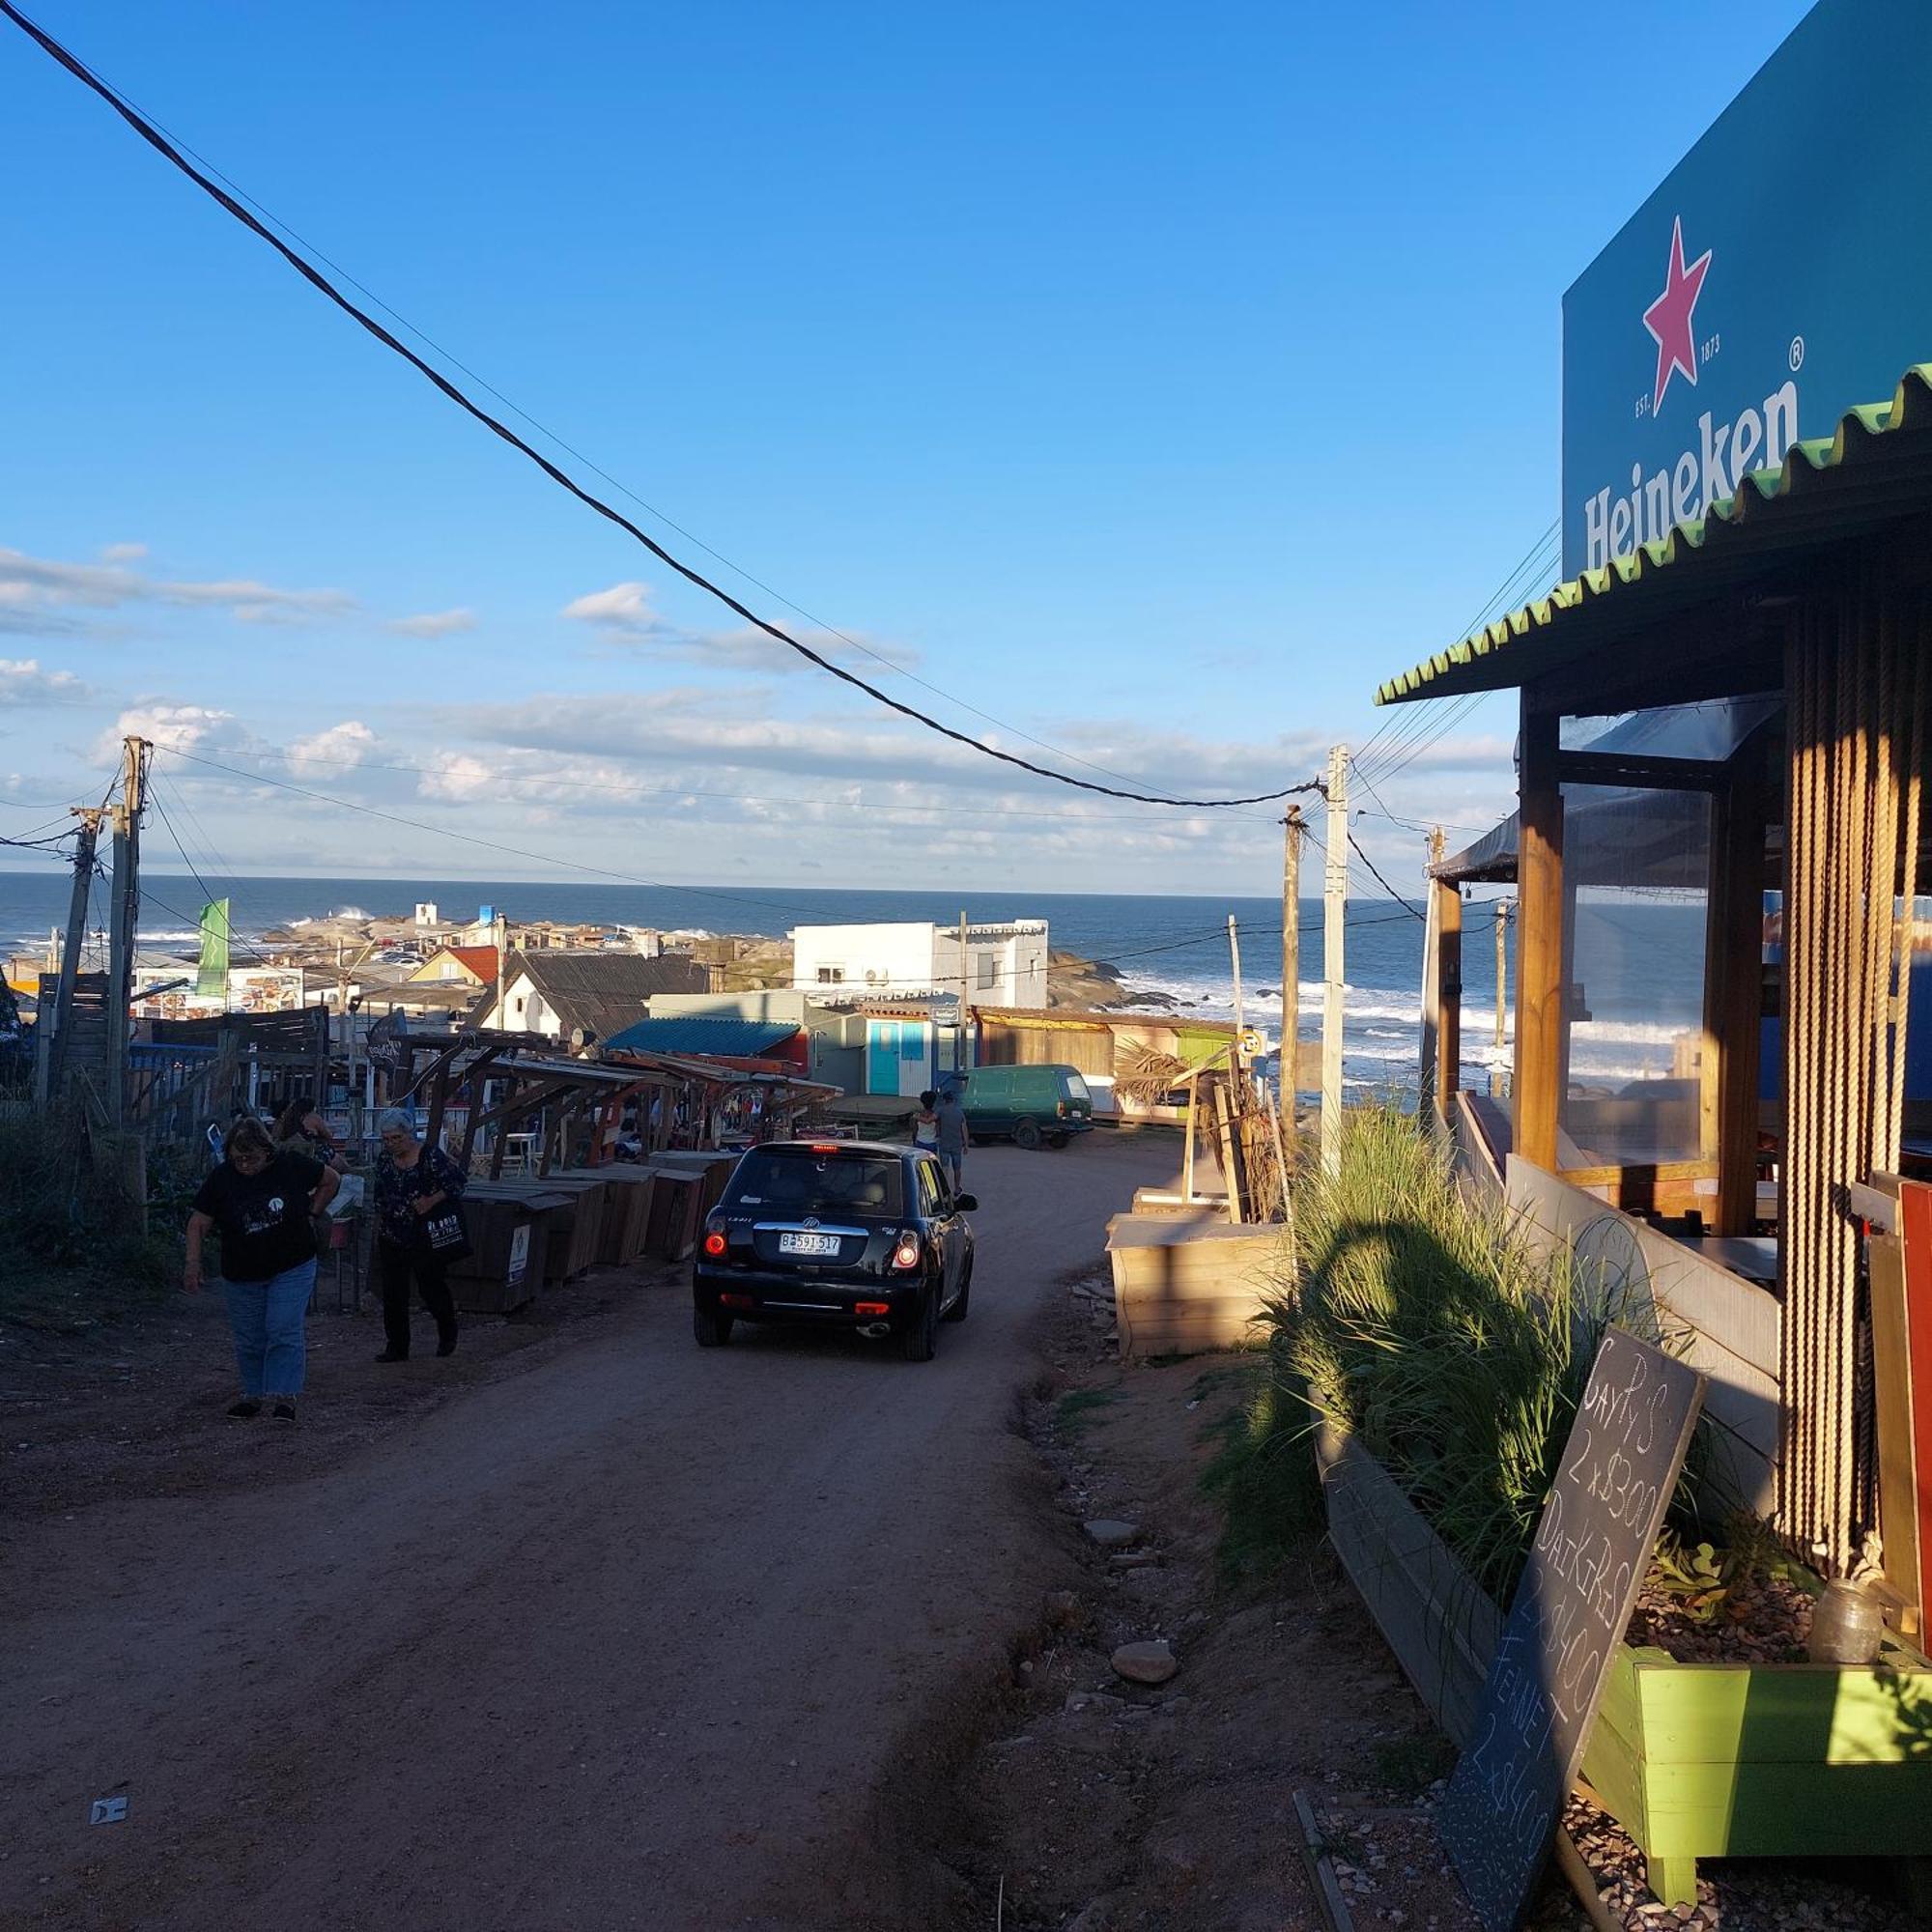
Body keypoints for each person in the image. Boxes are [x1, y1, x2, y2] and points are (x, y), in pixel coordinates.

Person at [185, 1114, 339, 1421]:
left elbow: (331, 1179)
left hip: (292, 1263)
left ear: (265, 1151)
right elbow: (198, 1223)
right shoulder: (222, 1178)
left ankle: (284, 1396)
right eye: (238, 1159)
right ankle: (253, 1394)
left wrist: (313, 1211)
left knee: (283, 1328)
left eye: (251, 1158)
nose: (244, 1165)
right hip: (243, 1271)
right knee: (250, 1336)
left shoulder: (290, 1165)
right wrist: (192, 1263)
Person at [372, 1109, 466, 1363]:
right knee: (393, 1293)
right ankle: (397, 1347)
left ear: (408, 1134)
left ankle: (447, 1333)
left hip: (424, 1234)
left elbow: (456, 1182)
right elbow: (379, 1192)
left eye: (396, 1138)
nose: (391, 1144)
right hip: (393, 1233)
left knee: (431, 1287)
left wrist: (431, 1200)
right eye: (387, 1139)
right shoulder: (384, 1160)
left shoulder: (430, 1156)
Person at [273, 1096, 348, 1173]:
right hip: (312, 1154)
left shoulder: (285, 1121)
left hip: (292, 1154)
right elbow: (328, 1135)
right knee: (343, 1166)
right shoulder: (313, 1117)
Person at [933, 1084, 970, 1190]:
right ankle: (957, 1188)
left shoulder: (940, 1110)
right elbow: (964, 1129)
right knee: (957, 1168)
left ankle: (944, 1189)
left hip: (944, 1143)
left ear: (944, 1100)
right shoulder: (959, 1112)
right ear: (953, 1100)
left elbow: (934, 1121)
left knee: (944, 1167)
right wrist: (966, 1145)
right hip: (957, 1144)